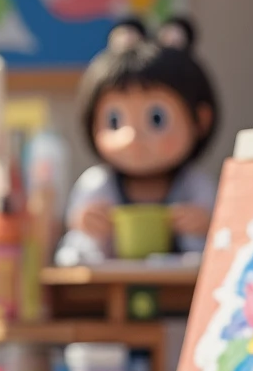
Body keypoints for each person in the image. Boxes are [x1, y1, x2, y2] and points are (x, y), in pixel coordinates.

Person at [59, 16, 220, 263]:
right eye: (114, 121)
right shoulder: (97, 186)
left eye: (157, 119)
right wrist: (84, 226)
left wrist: (207, 226)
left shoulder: (194, 186)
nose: (133, 138)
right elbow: (72, 256)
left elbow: (220, 249)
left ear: (200, 120)